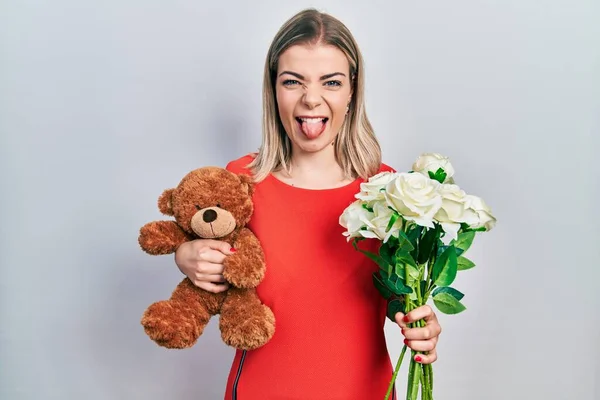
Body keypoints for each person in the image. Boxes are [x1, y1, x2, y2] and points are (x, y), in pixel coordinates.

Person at [174, 8, 442, 400]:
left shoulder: (388, 189)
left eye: (330, 82)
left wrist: (421, 322)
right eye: (292, 81)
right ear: (273, 90)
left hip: (362, 391)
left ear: (352, 90)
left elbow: (397, 297)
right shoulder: (240, 180)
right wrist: (185, 254)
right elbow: (206, 258)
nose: (310, 99)